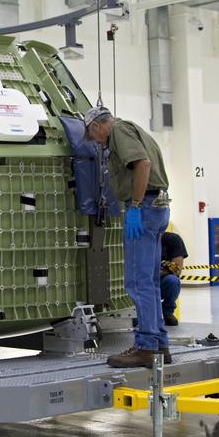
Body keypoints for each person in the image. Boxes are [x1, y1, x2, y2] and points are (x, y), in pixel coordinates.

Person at [83, 105, 172, 369]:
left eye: (92, 135)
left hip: (143, 208)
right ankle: (159, 344)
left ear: (98, 126)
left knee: (137, 282)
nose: (96, 142)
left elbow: (142, 164)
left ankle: (145, 347)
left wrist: (133, 206)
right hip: (157, 207)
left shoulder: (119, 131)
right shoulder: (135, 128)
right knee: (151, 283)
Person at [161, 230, 188, 327]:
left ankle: (167, 311)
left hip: (161, 280)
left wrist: (155, 271)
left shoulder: (172, 239)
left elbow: (177, 269)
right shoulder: (139, 240)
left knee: (172, 281)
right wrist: (165, 267)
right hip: (142, 281)